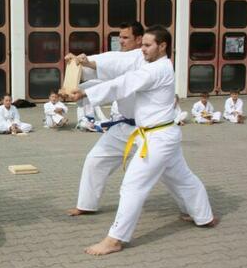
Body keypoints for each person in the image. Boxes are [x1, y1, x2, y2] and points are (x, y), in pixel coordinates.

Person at [63, 25, 217, 255]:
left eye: (147, 45)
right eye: (142, 44)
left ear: (162, 46)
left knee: (133, 186)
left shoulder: (157, 70)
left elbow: (125, 83)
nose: (142, 49)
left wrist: (86, 92)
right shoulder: (151, 64)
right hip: (158, 134)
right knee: (182, 177)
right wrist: (85, 66)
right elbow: (117, 68)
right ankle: (204, 217)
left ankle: (115, 239)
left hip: (157, 138)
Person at [65, 21, 145, 217]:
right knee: (95, 160)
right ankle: (86, 204)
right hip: (125, 125)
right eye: (120, 37)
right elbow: (105, 77)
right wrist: (77, 68)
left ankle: (201, 214)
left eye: (126, 37)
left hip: (150, 131)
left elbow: (113, 68)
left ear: (139, 39)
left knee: (173, 173)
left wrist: (89, 62)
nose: (121, 41)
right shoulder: (122, 60)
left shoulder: (142, 60)